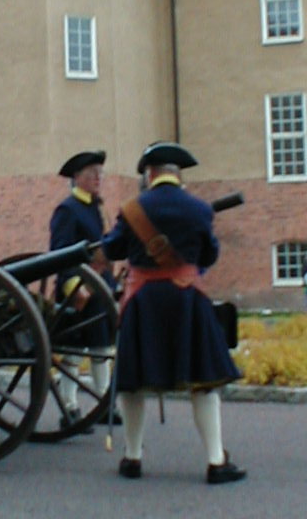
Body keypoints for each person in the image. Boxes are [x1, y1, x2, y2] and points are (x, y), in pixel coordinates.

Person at [101, 141, 246, 484]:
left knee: (132, 384)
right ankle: (216, 461)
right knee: (204, 383)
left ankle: (132, 458)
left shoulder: (132, 209)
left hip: (143, 302)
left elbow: (113, 248)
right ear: (177, 174)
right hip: (187, 300)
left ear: (149, 174)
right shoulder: (199, 209)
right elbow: (209, 255)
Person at [50, 150, 120, 430]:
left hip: (99, 287)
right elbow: (60, 253)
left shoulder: (97, 207)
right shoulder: (68, 210)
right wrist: (74, 288)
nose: (98, 178)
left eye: (100, 173)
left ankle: (104, 404)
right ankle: (69, 407)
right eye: (92, 173)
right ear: (77, 177)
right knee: (73, 351)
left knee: (102, 347)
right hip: (78, 290)